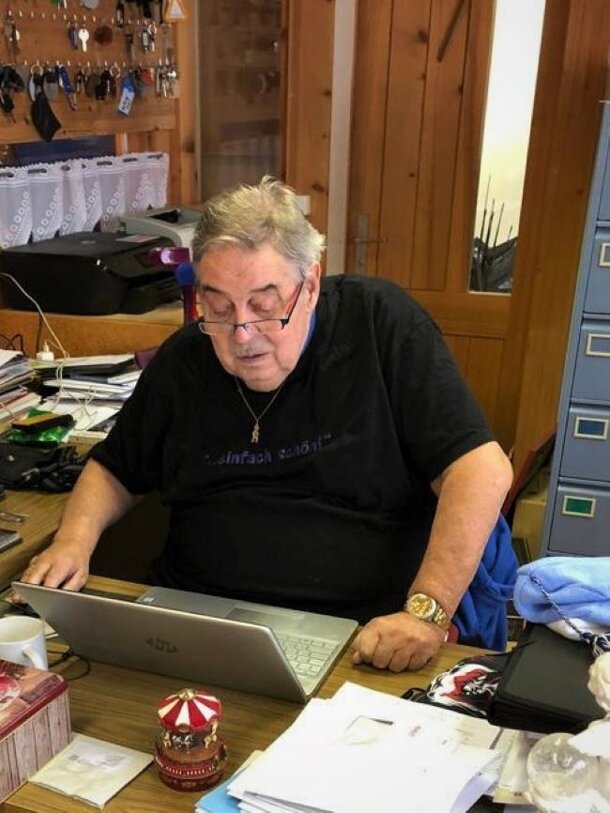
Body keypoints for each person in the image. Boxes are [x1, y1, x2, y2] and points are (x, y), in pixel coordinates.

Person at [19, 177, 513, 672]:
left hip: (361, 637)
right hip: (195, 623)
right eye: (219, 308)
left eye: (264, 305)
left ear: (310, 286)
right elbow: (115, 469)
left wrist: (425, 612)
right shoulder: (185, 361)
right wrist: (72, 544)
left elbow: (480, 470)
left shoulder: (378, 324)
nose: (242, 334)